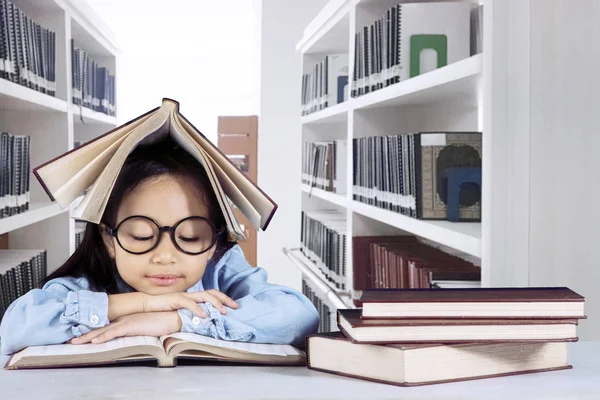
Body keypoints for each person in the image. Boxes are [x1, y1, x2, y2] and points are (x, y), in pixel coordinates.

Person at [0, 138, 319, 355]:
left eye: (191, 237)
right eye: (140, 236)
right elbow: (16, 327)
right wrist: (140, 304)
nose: (165, 256)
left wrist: (178, 319)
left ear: (213, 244)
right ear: (108, 239)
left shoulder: (221, 267)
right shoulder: (87, 280)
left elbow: (297, 314)